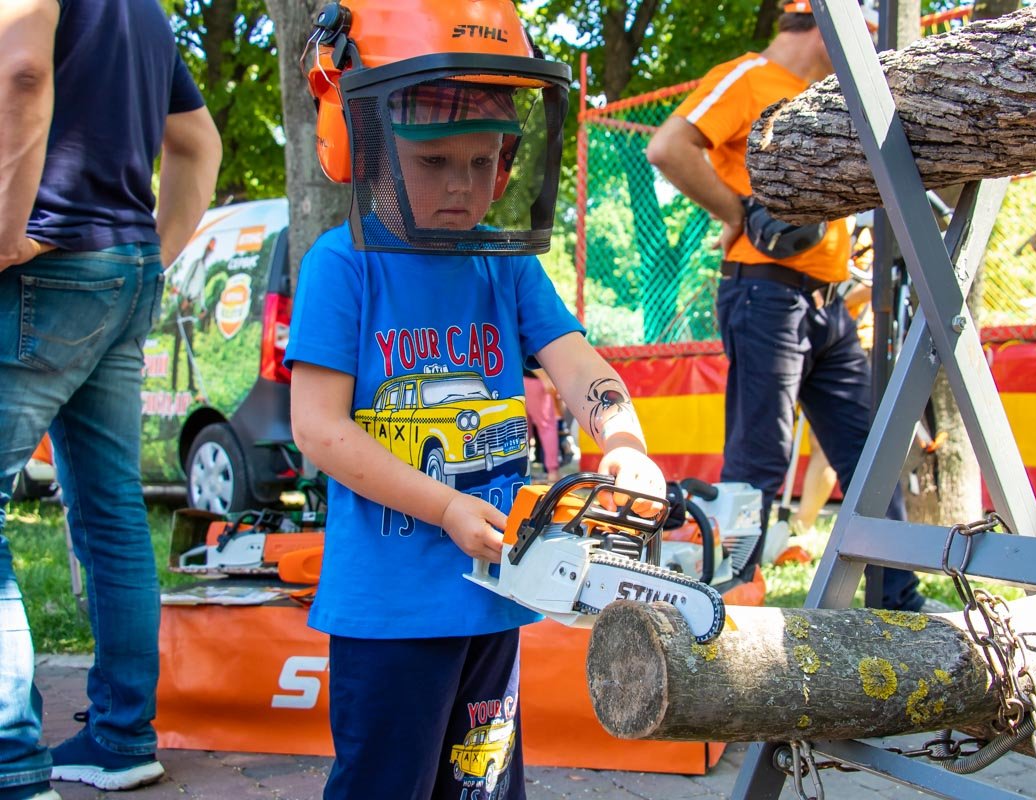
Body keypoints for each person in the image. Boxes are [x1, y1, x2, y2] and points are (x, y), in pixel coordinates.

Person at [287, 2, 666, 797]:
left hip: (493, 605)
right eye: (434, 163)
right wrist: (443, 507)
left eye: (483, 162)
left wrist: (623, 441)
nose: (463, 187)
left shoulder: (508, 268)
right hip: (390, 615)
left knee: (483, 787)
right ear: (370, 147)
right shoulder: (342, 265)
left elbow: (577, 364)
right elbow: (318, 431)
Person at [0, 1, 221, 797]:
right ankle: (122, 738)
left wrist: (3, 233)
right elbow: (200, 144)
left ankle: (11, 761)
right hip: (119, 272)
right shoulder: (144, 13)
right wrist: (146, 258)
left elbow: (22, 74)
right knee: (114, 512)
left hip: (41, 269)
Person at [646, 0, 933, 612]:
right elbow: (668, 147)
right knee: (761, 453)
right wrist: (738, 212)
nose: (871, 54)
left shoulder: (827, 97)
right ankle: (726, 606)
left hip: (828, 306)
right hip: (765, 291)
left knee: (869, 451)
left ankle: (900, 607)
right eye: (865, 37)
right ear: (827, 30)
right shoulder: (749, 77)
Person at [169, 236, 217, 394]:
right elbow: (185, 283)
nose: (209, 252)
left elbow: (201, 291)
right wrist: (183, 299)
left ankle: (190, 384)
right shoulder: (196, 264)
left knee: (189, 347)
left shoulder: (204, 269)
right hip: (184, 306)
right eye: (208, 249)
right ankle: (174, 384)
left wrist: (202, 308)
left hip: (192, 308)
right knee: (177, 348)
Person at [523, 367, 561, 482]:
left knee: (522, 428)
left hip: (520, 381)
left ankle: (522, 470)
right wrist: (545, 378)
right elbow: (533, 354)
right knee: (547, 426)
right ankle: (552, 472)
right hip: (536, 380)